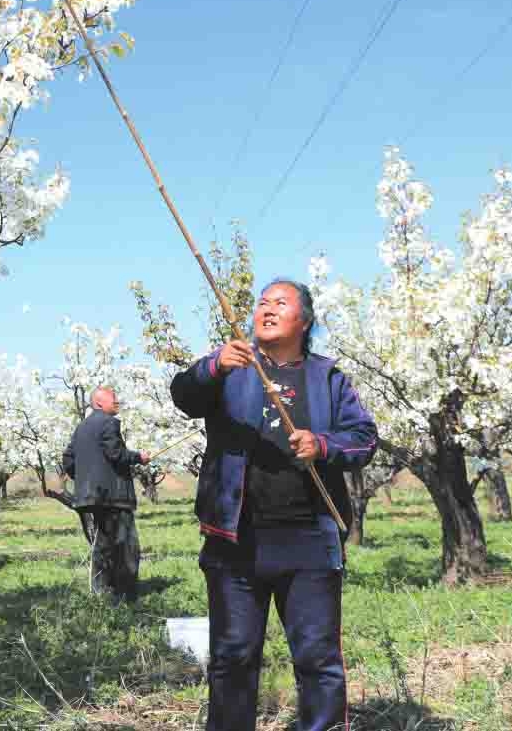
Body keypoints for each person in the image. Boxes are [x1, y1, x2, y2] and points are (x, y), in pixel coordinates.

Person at [170, 279, 377, 731]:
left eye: (280, 303)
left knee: (318, 660)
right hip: (235, 540)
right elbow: (183, 395)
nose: (266, 309)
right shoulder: (233, 367)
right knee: (232, 658)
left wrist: (322, 445)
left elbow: (364, 440)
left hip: (309, 541)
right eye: (262, 302)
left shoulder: (326, 377)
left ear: (304, 320)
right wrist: (213, 366)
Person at [62, 386, 151, 603]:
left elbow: (68, 460)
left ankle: (101, 592)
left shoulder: (81, 427)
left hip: (90, 498)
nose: (117, 401)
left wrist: (85, 480)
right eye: (113, 398)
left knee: (102, 544)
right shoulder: (109, 422)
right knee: (126, 546)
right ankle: (126, 595)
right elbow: (116, 454)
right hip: (113, 497)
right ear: (99, 403)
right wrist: (138, 457)